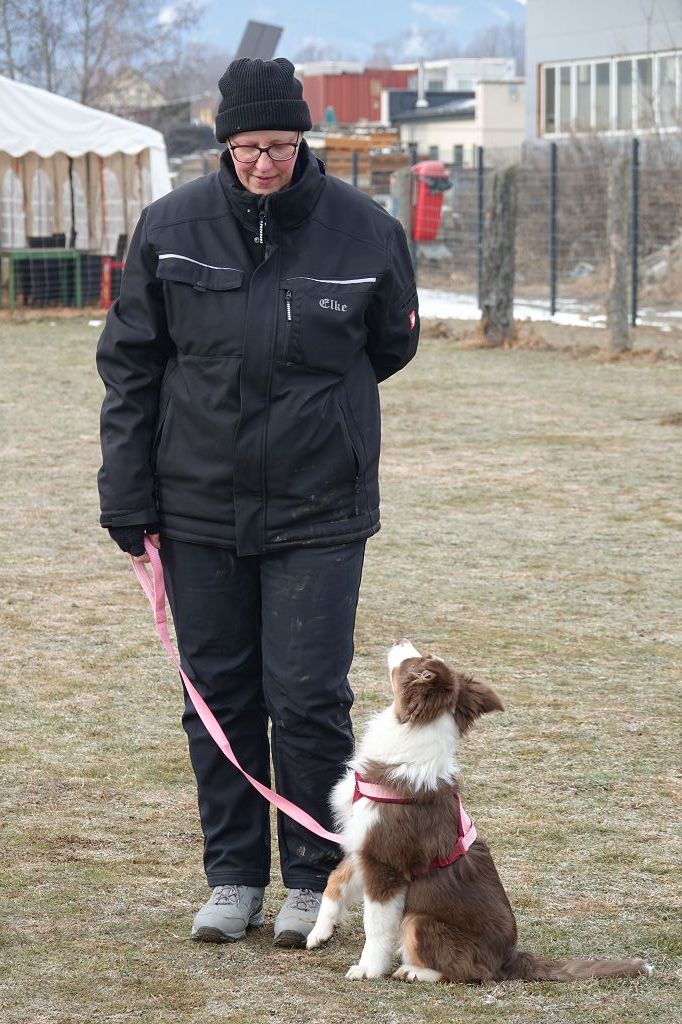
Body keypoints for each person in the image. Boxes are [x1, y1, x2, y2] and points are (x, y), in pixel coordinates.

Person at [96, 57, 419, 948]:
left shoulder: (364, 231)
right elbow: (132, 367)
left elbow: (391, 344)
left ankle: (313, 879)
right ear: (224, 145)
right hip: (195, 506)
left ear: (303, 140)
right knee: (219, 695)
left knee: (307, 696)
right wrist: (126, 489)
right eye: (247, 148)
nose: (264, 163)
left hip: (320, 508)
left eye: (279, 146)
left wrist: (322, 417)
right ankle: (232, 876)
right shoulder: (170, 228)